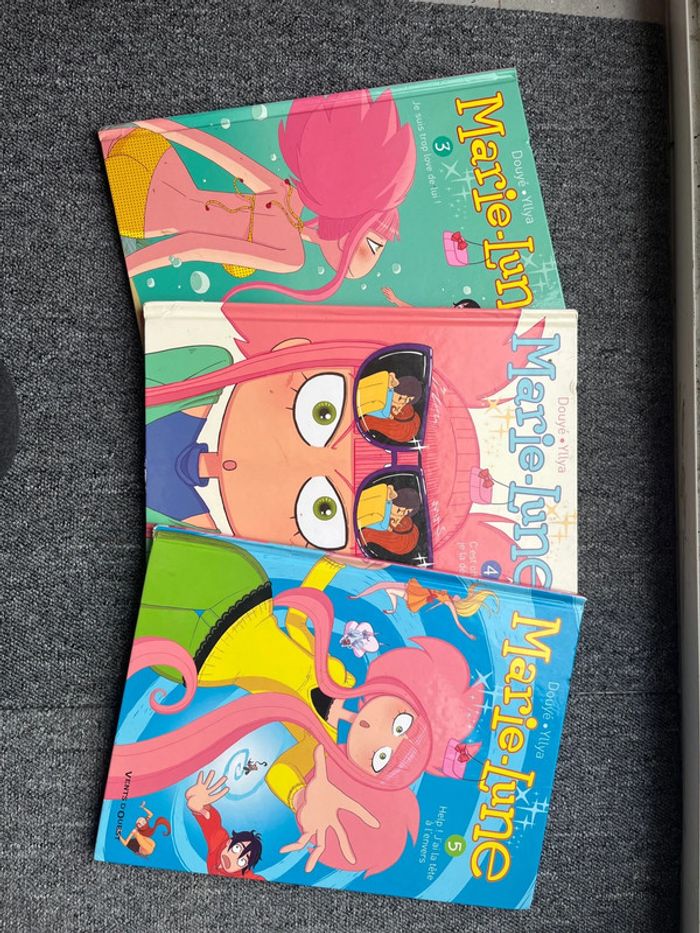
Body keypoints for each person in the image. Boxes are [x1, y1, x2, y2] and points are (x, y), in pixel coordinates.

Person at [104, 531, 484, 876]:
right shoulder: (339, 673)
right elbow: (298, 621)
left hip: (205, 657)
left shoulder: (318, 745)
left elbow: (279, 773)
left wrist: (302, 797)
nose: (379, 734)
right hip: (243, 590)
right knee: (165, 551)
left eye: (380, 758)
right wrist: (333, 563)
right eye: (401, 725)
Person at [101, 89, 416, 304]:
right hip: (147, 201)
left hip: (156, 166)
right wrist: (135, 264)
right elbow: (196, 244)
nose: (368, 263)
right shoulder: (289, 248)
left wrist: (156, 127)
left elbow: (220, 155)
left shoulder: (288, 209)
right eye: (373, 245)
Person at [185, 770, 264, 879]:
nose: (233, 859)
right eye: (236, 848)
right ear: (229, 842)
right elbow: (213, 823)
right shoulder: (219, 842)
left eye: (242, 861)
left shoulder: (245, 876)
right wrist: (201, 806)